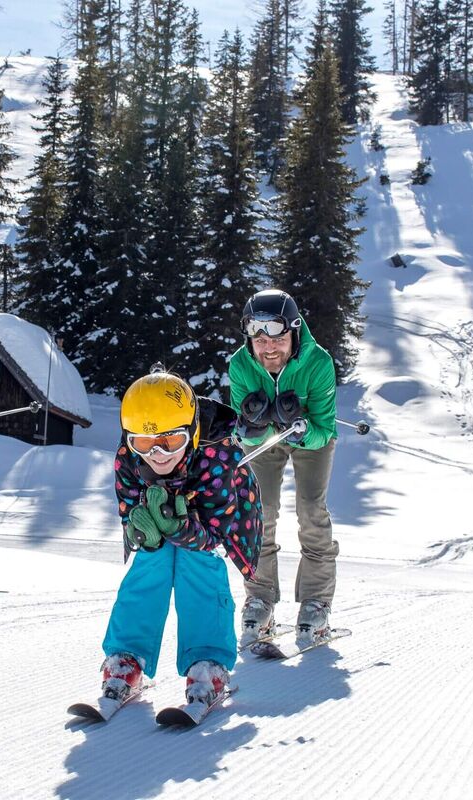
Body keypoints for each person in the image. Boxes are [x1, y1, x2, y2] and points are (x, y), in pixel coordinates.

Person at [99, 367, 263, 707]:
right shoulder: (129, 457)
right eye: (144, 442)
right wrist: (143, 530)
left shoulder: (218, 453)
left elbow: (216, 530)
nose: (158, 453)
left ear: (191, 429)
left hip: (218, 516)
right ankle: (127, 657)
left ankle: (208, 661)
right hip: (164, 515)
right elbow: (130, 506)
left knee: (198, 563)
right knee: (150, 561)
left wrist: (180, 528)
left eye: (171, 440)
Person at [228, 288, 338, 646]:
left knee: (310, 509)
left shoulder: (318, 363)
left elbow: (324, 430)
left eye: (276, 335)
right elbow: (239, 427)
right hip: (267, 442)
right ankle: (259, 599)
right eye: (257, 337)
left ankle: (316, 602)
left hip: (309, 438)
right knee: (260, 510)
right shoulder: (241, 365)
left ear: (293, 331)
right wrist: (252, 426)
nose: (268, 347)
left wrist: (301, 429)